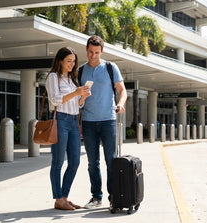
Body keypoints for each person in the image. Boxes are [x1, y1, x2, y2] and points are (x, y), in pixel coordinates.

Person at [79, 35, 127, 209]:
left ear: (102, 51)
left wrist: (120, 104)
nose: (93, 56)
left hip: (108, 120)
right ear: (86, 50)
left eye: (96, 52)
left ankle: (114, 197)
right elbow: (78, 100)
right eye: (90, 52)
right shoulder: (80, 71)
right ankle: (96, 197)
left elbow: (122, 91)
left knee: (111, 161)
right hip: (89, 122)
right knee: (93, 163)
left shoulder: (110, 67)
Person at [46, 47, 91, 210]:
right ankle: (58, 198)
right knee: (58, 161)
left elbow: (78, 105)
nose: (72, 64)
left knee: (75, 161)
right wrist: (75, 93)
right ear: (60, 61)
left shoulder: (73, 80)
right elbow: (55, 100)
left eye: (73, 61)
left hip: (73, 121)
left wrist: (83, 96)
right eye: (68, 61)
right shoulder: (53, 77)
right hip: (60, 120)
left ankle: (64, 197)